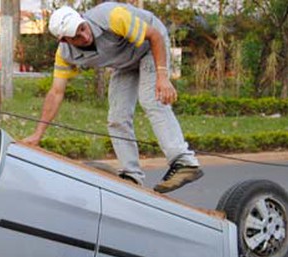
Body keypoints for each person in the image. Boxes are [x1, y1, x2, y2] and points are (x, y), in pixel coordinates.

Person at [22, 4, 203, 193]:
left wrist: (163, 77)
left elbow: (155, 36)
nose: (84, 37)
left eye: (82, 29)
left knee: (151, 100)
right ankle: (132, 175)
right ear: (64, 40)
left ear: (83, 20)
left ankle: (184, 162)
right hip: (124, 61)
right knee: (116, 117)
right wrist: (38, 134)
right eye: (75, 37)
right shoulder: (65, 55)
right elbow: (56, 92)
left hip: (150, 45)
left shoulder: (111, 17)